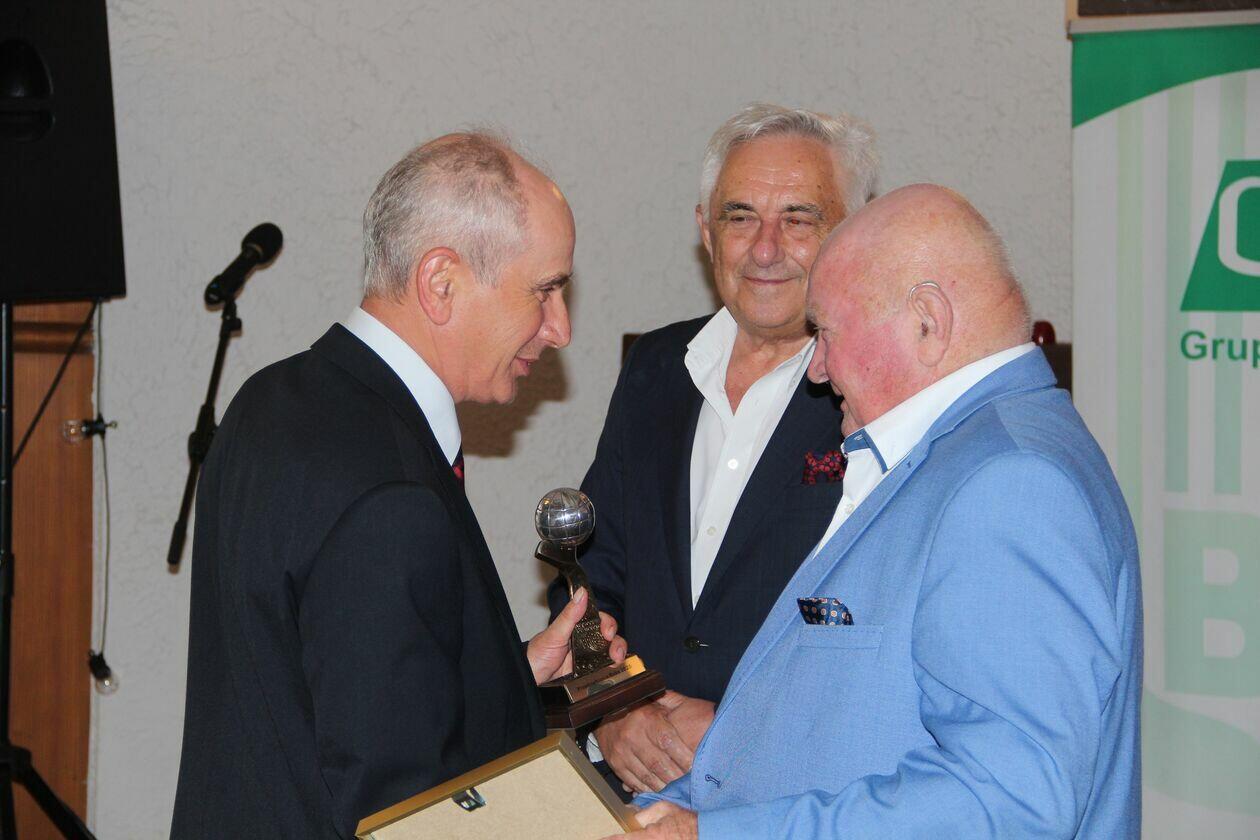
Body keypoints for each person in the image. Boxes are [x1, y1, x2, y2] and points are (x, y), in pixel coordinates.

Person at [617, 184, 1142, 839]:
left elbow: (1011, 803)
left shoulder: (1011, 484)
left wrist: (712, 835)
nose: (817, 369)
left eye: (826, 331)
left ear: (927, 321)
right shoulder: (969, 457)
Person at [171, 132, 624, 839]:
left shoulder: (271, 398)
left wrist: (507, 678)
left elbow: (312, 692)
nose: (560, 328)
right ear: (441, 283)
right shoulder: (392, 494)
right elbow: (402, 817)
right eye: (545, 290)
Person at [548, 104, 878, 796]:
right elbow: (592, 571)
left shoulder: (878, 394)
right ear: (705, 230)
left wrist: (743, 729)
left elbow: (880, 627)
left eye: (799, 219)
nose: (765, 248)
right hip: (632, 788)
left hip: (794, 801)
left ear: (851, 233)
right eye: (740, 216)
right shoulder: (657, 367)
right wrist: (610, 706)